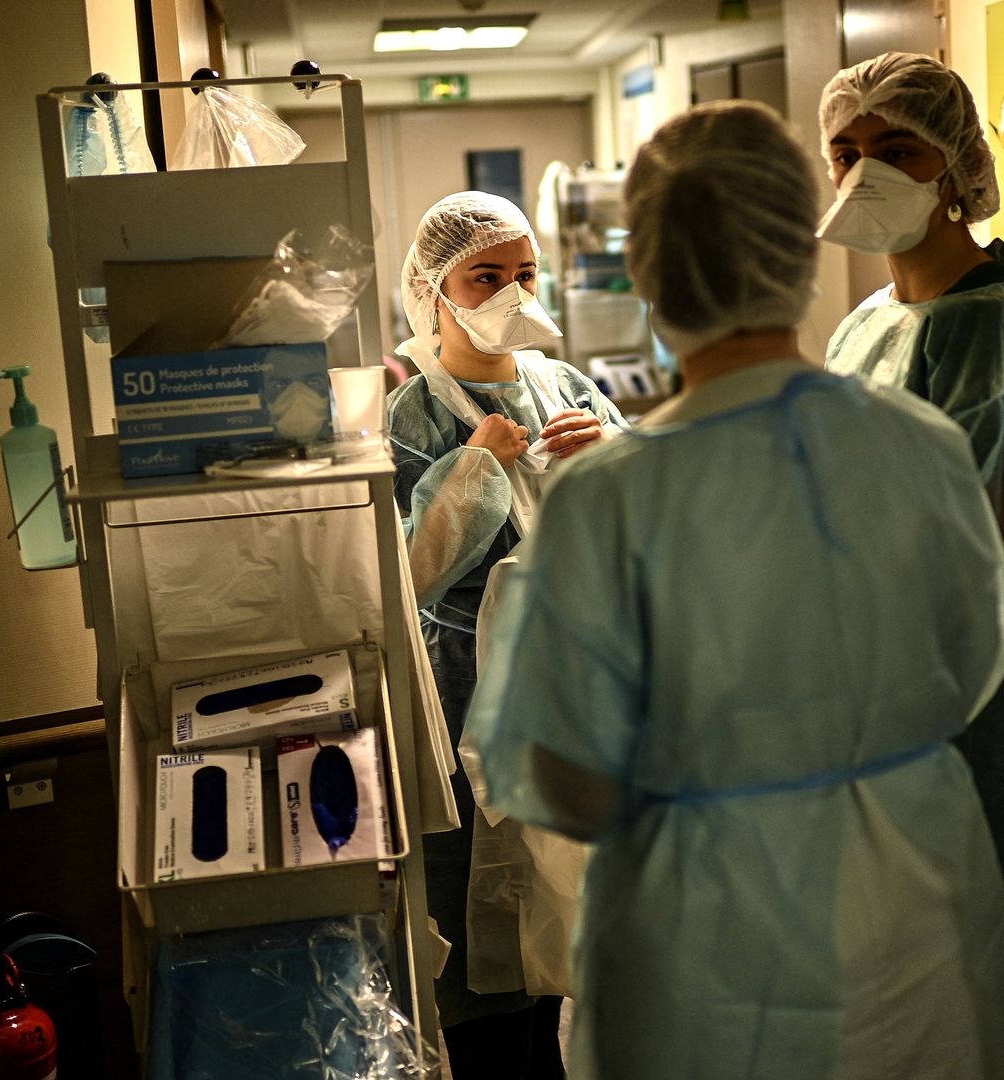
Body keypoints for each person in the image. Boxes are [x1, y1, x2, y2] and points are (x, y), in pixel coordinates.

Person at [465, 100, 1004, 1080]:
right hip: (912, 901)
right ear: (797, 258)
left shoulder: (609, 498)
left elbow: (551, 772)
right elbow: (977, 658)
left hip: (699, 942)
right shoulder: (923, 449)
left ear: (648, 272)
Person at [818, 51, 1004, 1079]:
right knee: (911, 987)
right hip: (890, 690)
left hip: (984, 700)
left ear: (957, 170)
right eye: (846, 151)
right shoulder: (868, 322)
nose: (867, 172)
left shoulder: (997, 325)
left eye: (898, 150)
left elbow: (980, 552)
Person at [387, 190, 628, 1078]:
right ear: (433, 291)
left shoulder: (568, 388)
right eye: (485, 277)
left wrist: (610, 453)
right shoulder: (415, 414)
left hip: (570, 680)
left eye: (525, 274)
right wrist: (477, 461)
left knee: (564, 889)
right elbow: (412, 571)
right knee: (478, 898)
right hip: (464, 688)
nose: (512, 293)